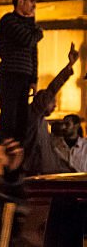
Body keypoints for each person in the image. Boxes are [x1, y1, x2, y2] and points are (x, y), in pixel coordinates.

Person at [22, 44, 79, 175]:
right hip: (37, 177)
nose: (55, 106)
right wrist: (68, 67)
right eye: (53, 101)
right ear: (43, 101)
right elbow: (51, 89)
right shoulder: (32, 116)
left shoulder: (42, 123)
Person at [0, 0, 43, 142]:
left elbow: (33, 54)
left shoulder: (30, 27)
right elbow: (27, 40)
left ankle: (20, 158)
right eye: (31, 1)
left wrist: (34, 80)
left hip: (24, 77)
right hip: (10, 75)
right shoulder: (8, 20)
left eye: (35, 2)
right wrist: (37, 30)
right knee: (9, 118)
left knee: (22, 120)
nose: (34, 6)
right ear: (20, 2)